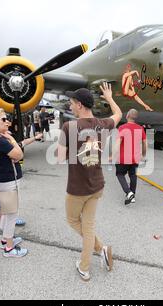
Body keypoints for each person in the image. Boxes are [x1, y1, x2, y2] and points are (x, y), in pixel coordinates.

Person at [58, 83, 122, 281]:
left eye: (71, 103)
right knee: (89, 225)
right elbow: (118, 114)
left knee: (73, 220)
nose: (69, 106)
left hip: (78, 187)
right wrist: (109, 97)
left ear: (79, 105)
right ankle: (99, 249)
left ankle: (85, 267)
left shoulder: (68, 126)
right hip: (97, 184)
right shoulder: (102, 124)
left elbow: (60, 158)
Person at [0, 109, 42, 257]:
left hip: (3, 179)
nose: (7, 122)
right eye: (3, 120)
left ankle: (5, 240)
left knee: (7, 211)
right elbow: (19, 154)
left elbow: (18, 151)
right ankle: (8, 248)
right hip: (8, 179)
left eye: (6, 119)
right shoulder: (0, 140)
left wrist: (13, 143)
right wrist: (11, 141)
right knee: (11, 214)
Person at [112, 109, 147, 205]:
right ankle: (132, 196)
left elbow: (118, 143)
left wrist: (113, 155)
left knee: (120, 174)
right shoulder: (140, 129)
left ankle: (129, 192)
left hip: (123, 158)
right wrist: (143, 154)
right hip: (135, 158)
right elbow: (145, 143)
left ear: (127, 116)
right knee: (133, 175)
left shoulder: (122, 127)